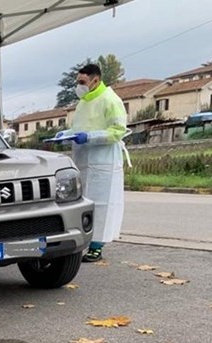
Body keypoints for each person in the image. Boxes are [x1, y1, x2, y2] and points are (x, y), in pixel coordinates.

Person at [57, 64, 128, 262]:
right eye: (78, 82)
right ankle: (81, 241)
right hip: (83, 161)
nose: (78, 86)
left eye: (82, 82)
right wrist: (66, 135)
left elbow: (117, 131)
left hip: (103, 161)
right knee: (82, 202)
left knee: (102, 204)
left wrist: (90, 137)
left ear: (95, 80)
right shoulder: (83, 102)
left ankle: (97, 246)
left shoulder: (110, 100)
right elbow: (79, 128)